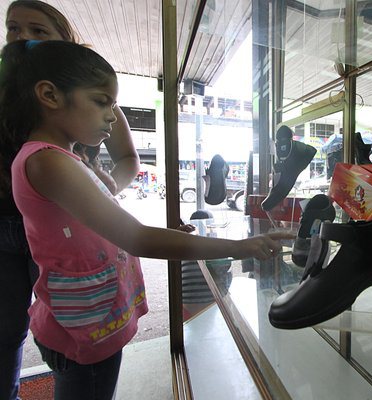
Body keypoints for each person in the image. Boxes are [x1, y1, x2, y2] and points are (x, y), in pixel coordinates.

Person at [0, 39, 293, 400]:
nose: (112, 115)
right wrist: (239, 247)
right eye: (101, 101)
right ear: (50, 95)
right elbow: (135, 237)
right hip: (80, 328)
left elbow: (100, 229)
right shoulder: (48, 162)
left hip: (92, 317)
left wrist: (169, 234)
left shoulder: (66, 158)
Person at [0, 2, 139, 399]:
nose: (22, 37)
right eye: (13, 28)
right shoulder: (37, 141)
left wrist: (104, 189)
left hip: (62, 229)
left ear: (67, 45)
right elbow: (141, 237)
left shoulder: (88, 105)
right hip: (8, 224)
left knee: (75, 329)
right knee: (10, 332)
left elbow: (127, 160)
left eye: (39, 31)